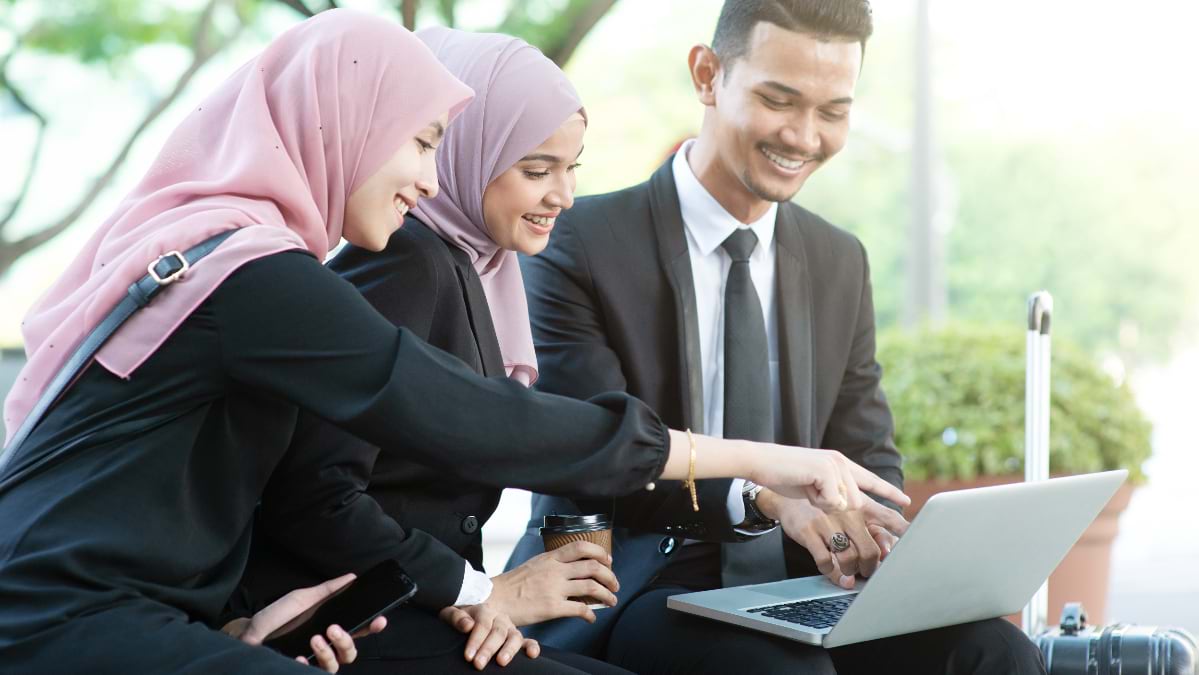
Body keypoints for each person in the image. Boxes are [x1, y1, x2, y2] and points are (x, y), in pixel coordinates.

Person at [0, 9, 905, 674]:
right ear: (341, 125)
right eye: (421, 142)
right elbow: (471, 417)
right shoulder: (257, 274)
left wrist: (242, 616)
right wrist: (763, 461)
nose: (433, 180)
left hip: (136, 609)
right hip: (65, 615)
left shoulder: (243, 255)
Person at [507, 1, 1047, 673]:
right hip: (646, 583)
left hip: (808, 582)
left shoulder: (838, 259)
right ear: (707, 75)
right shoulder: (580, 244)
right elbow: (599, 457)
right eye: (779, 100)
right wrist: (763, 497)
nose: (803, 136)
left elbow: (866, 449)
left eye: (833, 111)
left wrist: (873, 526)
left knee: (996, 652)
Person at [235, 27, 622, 674]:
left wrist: (476, 602)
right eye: (536, 170)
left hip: (422, 608)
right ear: (468, 152)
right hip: (348, 622)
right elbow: (317, 493)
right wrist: (479, 592)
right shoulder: (406, 260)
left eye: (571, 167)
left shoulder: (477, 266)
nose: (564, 195)